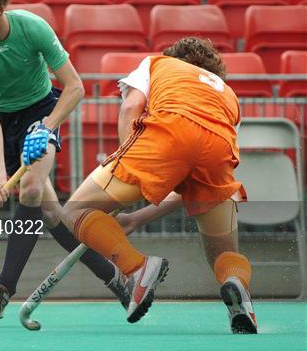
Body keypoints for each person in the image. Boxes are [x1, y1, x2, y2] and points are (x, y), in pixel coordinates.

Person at [25, 37, 258, 333]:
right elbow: (183, 187)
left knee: (74, 210)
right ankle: (237, 290)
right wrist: (135, 218)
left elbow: (130, 107)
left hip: (169, 133)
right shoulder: (227, 95)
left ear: (175, 57)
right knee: (223, 254)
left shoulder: (157, 63)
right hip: (219, 149)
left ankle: (138, 270)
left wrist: (128, 167)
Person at [0, 0, 133, 321]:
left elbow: (75, 87)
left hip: (41, 111)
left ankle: (2, 291)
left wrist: (47, 126)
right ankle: (119, 282)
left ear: (1, 8)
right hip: (4, 123)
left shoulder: (32, 28)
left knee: (32, 189)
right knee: (52, 215)